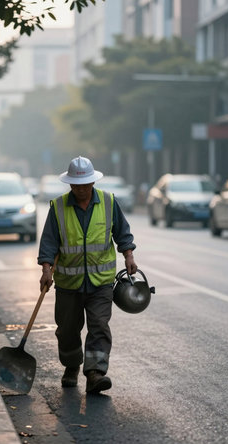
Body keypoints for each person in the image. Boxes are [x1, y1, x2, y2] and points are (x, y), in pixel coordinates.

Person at [38, 156, 137, 394]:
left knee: (99, 326)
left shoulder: (109, 202)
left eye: (85, 185)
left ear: (92, 182)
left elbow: (123, 233)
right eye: (76, 185)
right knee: (67, 329)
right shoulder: (58, 207)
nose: (81, 190)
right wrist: (46, 269)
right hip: (68, 283)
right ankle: (71, 366)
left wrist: (129, 256)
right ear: (70, 184)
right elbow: (49, 242)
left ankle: (95, 373)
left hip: (100, 282)